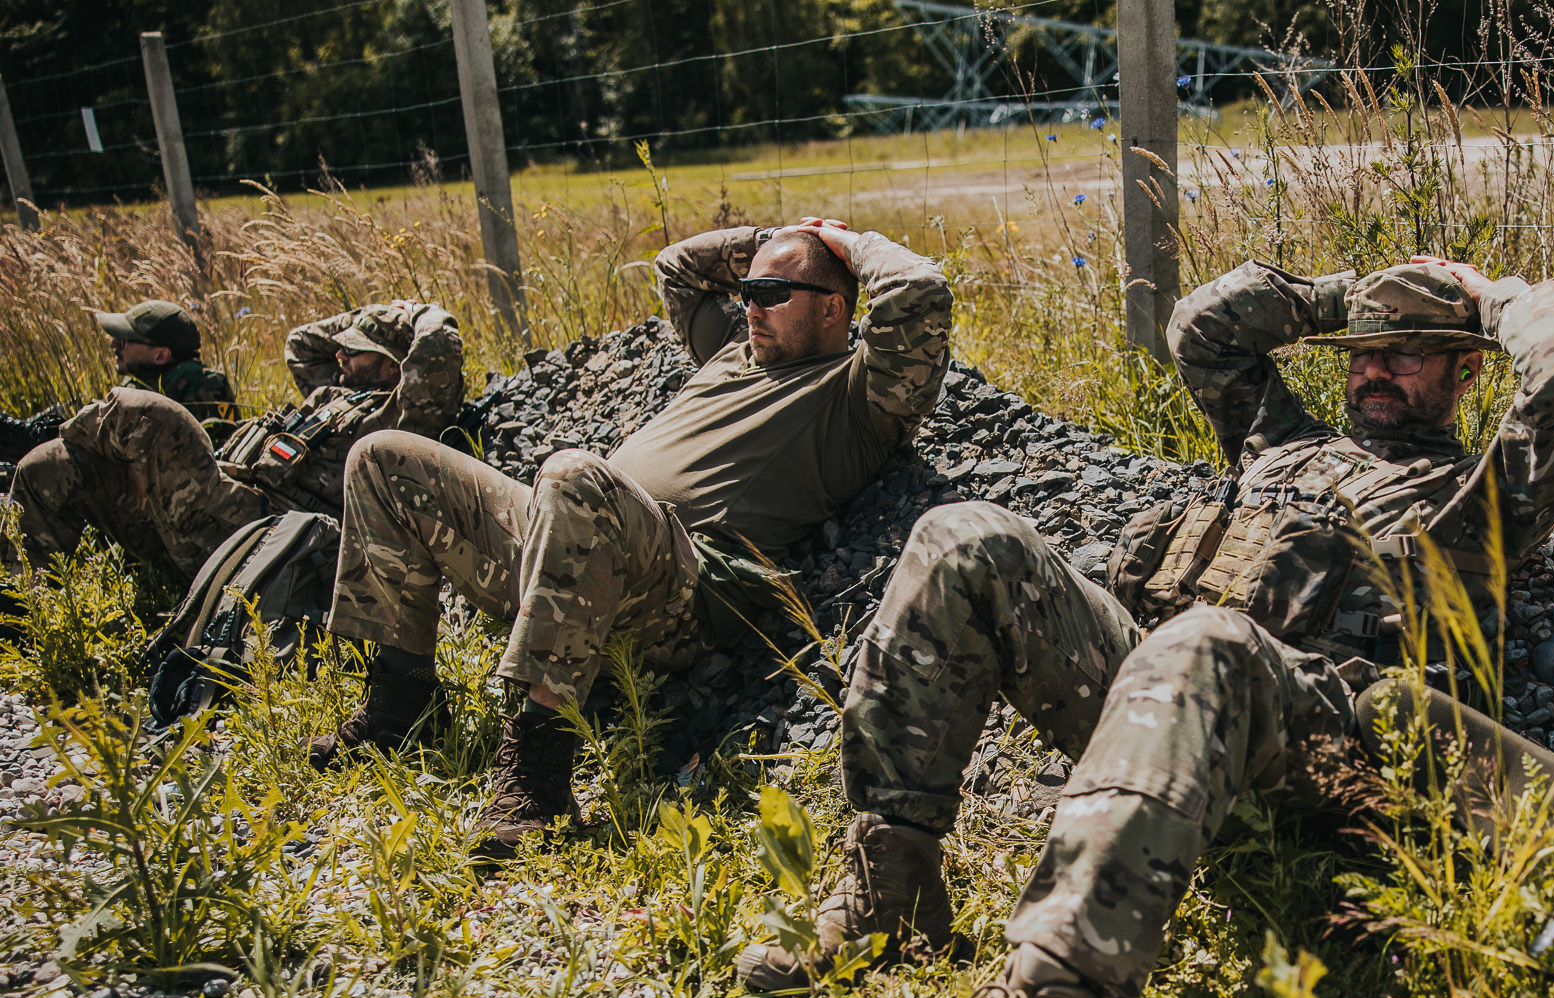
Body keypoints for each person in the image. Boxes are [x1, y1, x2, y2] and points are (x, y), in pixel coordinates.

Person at [801, 256, 1554, 998]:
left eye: (1408, 354)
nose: (1374, 370)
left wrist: (1494, 298)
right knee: (964, 535)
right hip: (1157, 688)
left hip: (1315, 736)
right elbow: (1202, 326)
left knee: (1206, 638)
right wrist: (1337, 299)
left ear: (1467, 370)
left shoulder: (1488, 496)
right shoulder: (1279, 441)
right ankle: (889, 892)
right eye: (1362, 352)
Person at [310, 219, 953, 865]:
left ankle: (536, 776)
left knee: (573, 475)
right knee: (382, 456)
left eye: (771, 292)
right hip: (566, 541)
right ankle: (401, 706)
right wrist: (774, 234)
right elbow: (676, 267)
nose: (749, 304)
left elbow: (920, 289)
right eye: (746, 288)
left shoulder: (858, 398)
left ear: (835, 307)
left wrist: (844, 242)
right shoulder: (733, 346)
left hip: (673, 590)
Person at [3, 300, 462, 579]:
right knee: (49, 464)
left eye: (355, 348)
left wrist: (414, 315)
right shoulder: (330, 391)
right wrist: (375, 317)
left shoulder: (397, 418)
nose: (338, 352)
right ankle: (21, 613)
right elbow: (301, 343)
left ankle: (70, 428)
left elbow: (438, 351)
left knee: (150, 417)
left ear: (391, 368)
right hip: (208, 509)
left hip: (263, 532)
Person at [1, 300, 235, 465]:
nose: (114, 345)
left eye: (125, 340)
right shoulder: (148, 382)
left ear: (160, 355)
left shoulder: (199, 385)